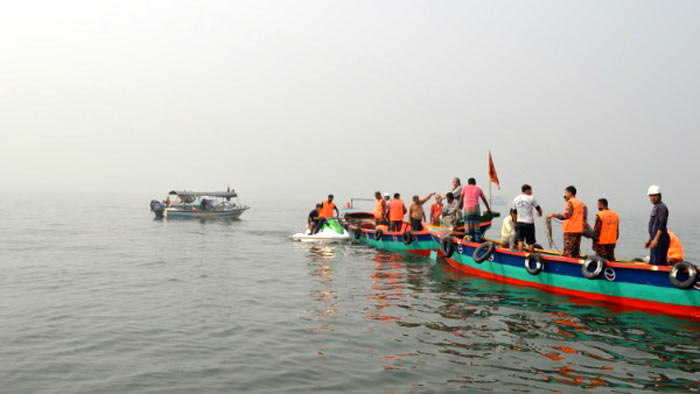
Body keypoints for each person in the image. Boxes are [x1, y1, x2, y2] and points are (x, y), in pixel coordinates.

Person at [548, 186, 587, 258]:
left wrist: (554, 215)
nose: (565, 195)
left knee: (568, 253)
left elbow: (566, 215)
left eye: (566, 193)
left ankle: (566, 267)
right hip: (578, 231)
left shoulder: (570, 202)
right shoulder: (579, 203)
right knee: (575, 253)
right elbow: (583, 217)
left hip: (570, 231)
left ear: (569, 193)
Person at [458, 178, 491, 242]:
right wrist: (488, 209)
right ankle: (477, 241)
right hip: (476, 210)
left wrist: (458, 208)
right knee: (476, 227)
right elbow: (484, 200)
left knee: (468, 228)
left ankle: (469, 242)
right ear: (475, 183)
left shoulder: (465, 188)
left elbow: (461, 199)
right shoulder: (478, 189)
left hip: (468, 210)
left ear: (468, 183)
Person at [512, 184, 543, 252]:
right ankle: (531, 255)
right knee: (531, 242)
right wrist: (540, 213)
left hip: (519, 222)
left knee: (520, 240)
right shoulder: (531, 198)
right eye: (530, 190)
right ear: (527, 190)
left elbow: (514, 212)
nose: (531, 192)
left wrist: (515, 222)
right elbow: (538, 208)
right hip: (529, 223)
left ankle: (520, 256)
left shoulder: (515, 199)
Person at [645, 185, 670, 265]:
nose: (653, 198)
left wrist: (656, 239)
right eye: (651, 196)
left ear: (660, 196)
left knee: (658, 263)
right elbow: (653, 227)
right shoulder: (656, 207)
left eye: (655, 196)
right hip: (655, 239)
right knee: (653, 262)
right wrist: (649, 239)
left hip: (660, 240)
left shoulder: (662, 208)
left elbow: (661, 225)